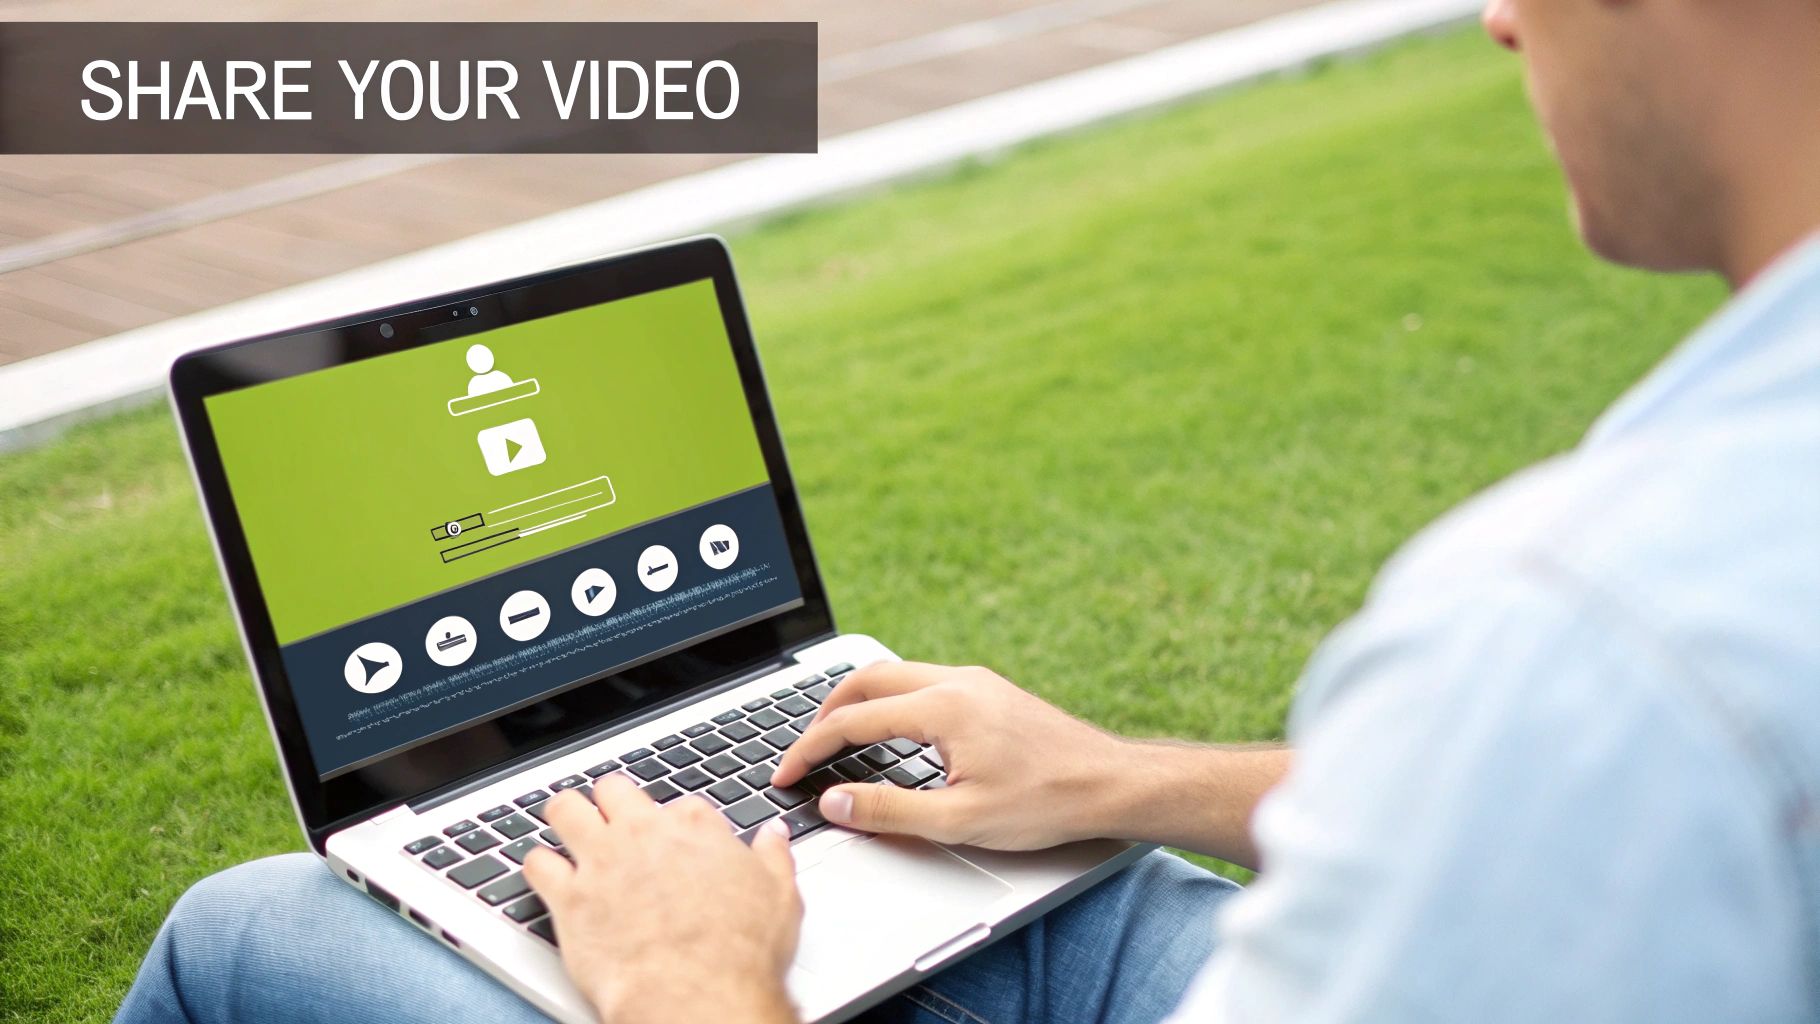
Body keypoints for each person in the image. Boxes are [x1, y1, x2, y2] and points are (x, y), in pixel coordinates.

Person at [116, 1, 1820, 1021]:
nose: (1501, 18)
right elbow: (1534, 826)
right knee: (938, 918)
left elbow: (1601, 752)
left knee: (242, 934)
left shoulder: (1591, 633)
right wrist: (1124, 778)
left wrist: (690, 978)